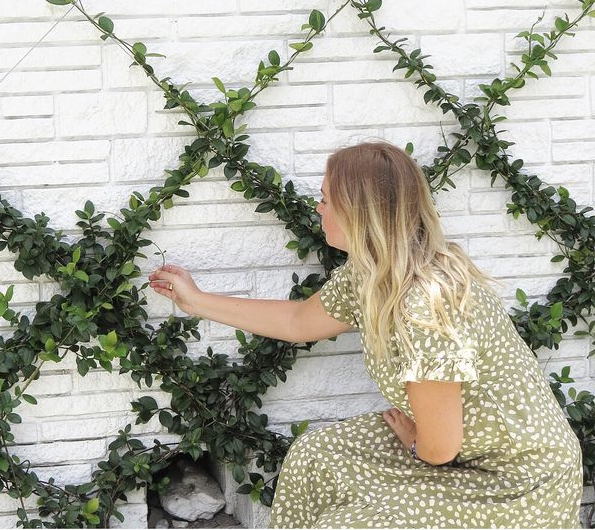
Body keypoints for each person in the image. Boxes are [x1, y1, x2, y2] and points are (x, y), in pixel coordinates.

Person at [148, 140, 584, 529]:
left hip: (517, 482)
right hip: (460, 450)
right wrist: (196, 301)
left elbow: (439, 448)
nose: (318, 208)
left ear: (359, 212)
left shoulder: (425, 304)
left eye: (324, 199)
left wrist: (418, 446)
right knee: (315, 456)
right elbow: (302, 321)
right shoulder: (373, 272)